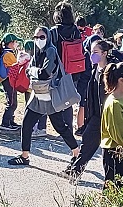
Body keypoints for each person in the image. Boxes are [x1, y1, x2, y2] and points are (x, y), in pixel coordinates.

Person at [8, 27, 79, 166]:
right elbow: (32, 72)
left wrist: (33, 70)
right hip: (38, 94)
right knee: (27, 124)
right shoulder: (37, 52)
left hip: (49, 94)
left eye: (42, 37)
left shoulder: (50, 50)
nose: (38, 40)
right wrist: (34, 71)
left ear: (48, 37)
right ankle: (25, 156)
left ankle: (77, 152)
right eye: (36, 37)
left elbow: (44, 73)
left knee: (59, 126)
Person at [64, 40, 116, 180]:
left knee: (110, 152)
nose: (92, 55)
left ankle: (112, 182)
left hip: (110, 118)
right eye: (91, 52)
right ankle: (75, 171)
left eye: (95, 52)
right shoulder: (94, 70)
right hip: (96, 116)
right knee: (87, 143)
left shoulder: (112, 71)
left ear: (104, 53)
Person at [49, 0, 83, 129]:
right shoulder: (75, 30)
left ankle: (58, 127)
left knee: (54, 100)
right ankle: (67, 127)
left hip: (57, 71)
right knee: (68, 101)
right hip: (73, 70)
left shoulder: (54, 31)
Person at [0, 33, 23, 130]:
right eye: (15, 42)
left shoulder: (8, 53)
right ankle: (5, 123)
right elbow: (15, 66)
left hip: (9, 80)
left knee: (12, 100)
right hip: (8, 80)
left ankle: (11, 120)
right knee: (11, 102)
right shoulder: (8, 54)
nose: (16, 44)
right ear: (10, 43)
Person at [22, 39, 47, 137]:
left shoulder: (26, 59)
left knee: (31, 109)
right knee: (43, 108)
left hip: (30, 88)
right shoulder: (42, 57)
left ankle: (33, 128)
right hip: (41, 87)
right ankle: (42, 128)